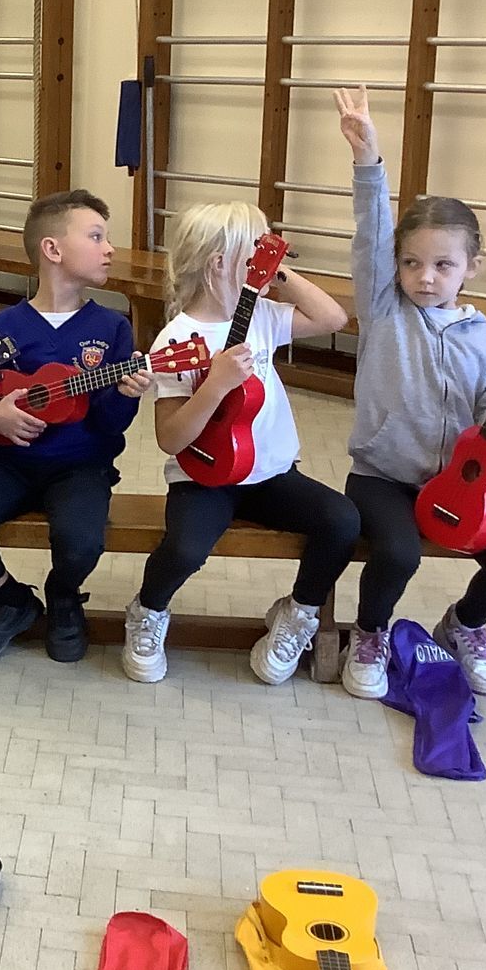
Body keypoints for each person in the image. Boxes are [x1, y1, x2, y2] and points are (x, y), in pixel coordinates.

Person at [333, 85, 486, 698]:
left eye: (443, 265)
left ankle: (464, 625)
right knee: (398, 554)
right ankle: (370, 632)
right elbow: (371, 233)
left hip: (458, 485)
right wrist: (368, 161)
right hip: (382, 476)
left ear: (472, 267)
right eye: (411, 263)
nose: (424, 277)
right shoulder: (384, 310)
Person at [126, 200, 358, 685]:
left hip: (269, 474)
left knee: (342, 520)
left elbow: (334, 318)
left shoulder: (263, 316)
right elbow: (170, 438)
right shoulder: (178, 339)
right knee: (185, 548)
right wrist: (214, 386)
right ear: (219, 264)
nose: (267, 259)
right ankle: (148, 610)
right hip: (202, 477)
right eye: (255, 250)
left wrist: (279, 273)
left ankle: (298, 613)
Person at [0, 190, 148, 663]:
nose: (110, 249)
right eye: (96, 237)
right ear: (52, 249)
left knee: (80, 540)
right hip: (9, 464)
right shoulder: (3, 326)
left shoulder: (112, 329)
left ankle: (64, 595)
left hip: (81, 467)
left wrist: (125, 394)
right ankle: (10, 599)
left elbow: (111, 425)